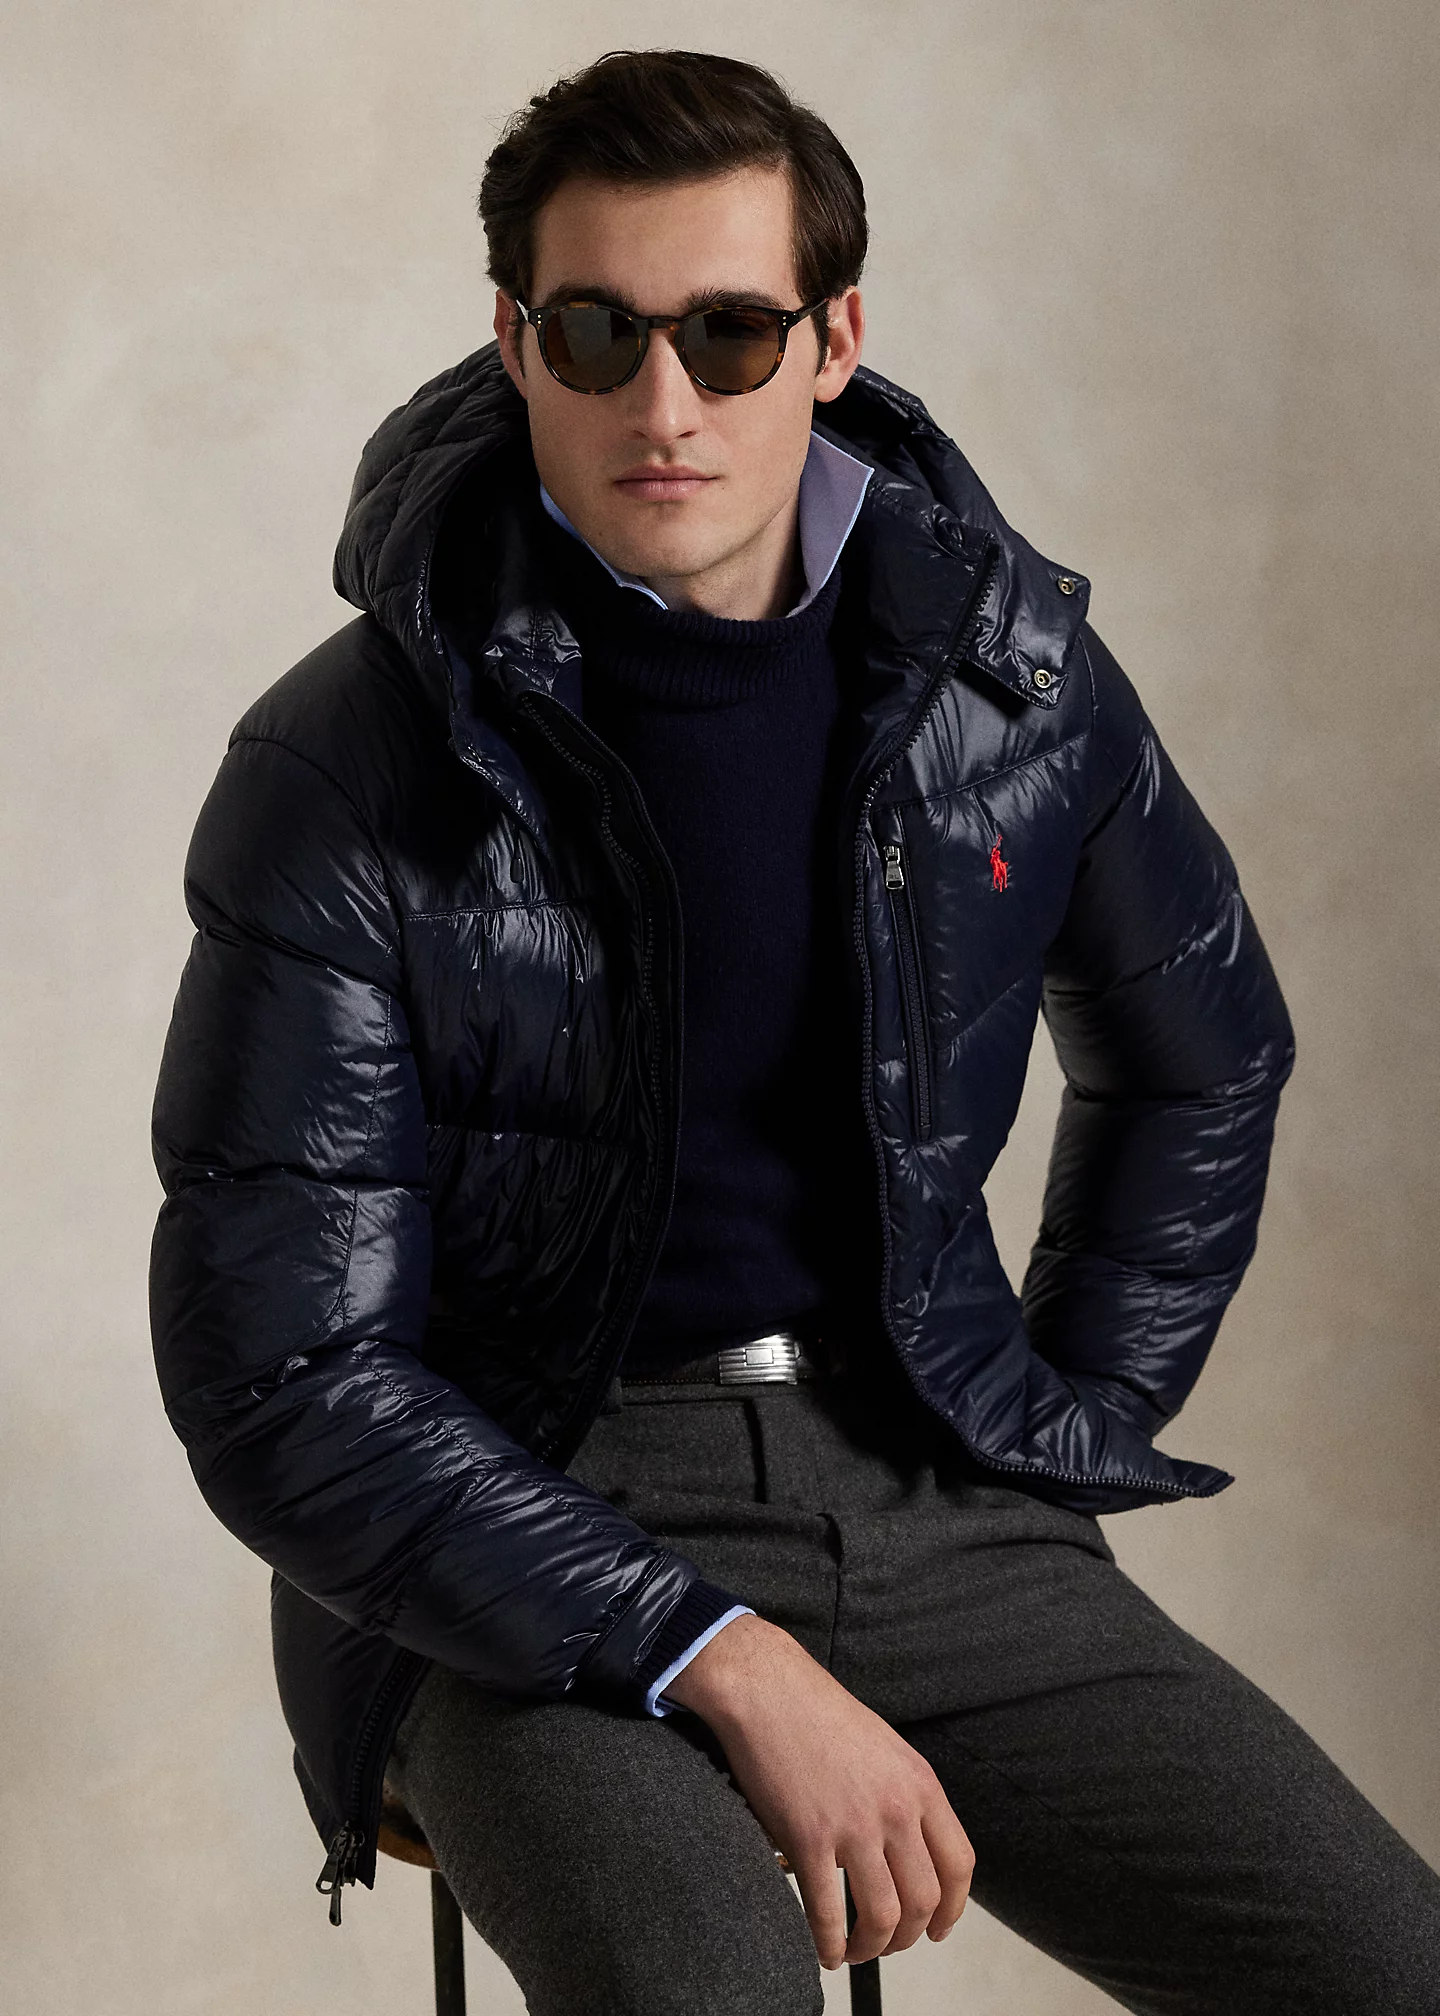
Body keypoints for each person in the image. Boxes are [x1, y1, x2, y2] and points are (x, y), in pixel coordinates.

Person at [149, 47, 1440, 2016]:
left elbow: (1204, 1056)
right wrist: (720, 1655)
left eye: (730, 333)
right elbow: (282, 1377)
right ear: (514, 341)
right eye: (598, 333)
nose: (662, 404)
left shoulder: (1008, 681)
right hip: (505, 1525)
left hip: (926, 1485)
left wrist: (1056, 1420)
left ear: (835, 339)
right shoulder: (345, 764)